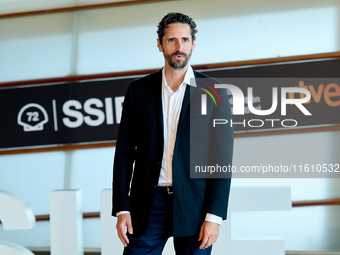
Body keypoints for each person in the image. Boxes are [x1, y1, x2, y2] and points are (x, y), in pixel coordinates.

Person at [112, 12, 233, 255]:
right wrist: (122, 208)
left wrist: (215, 215)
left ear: (193, 44)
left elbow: (222, 159)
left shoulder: (214, 92)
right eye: (171, 40)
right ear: (159, 44)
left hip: (195, 207)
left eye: (185, 40)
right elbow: (124, 152)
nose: (179, 47)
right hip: (147, 205)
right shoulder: (139, 91)